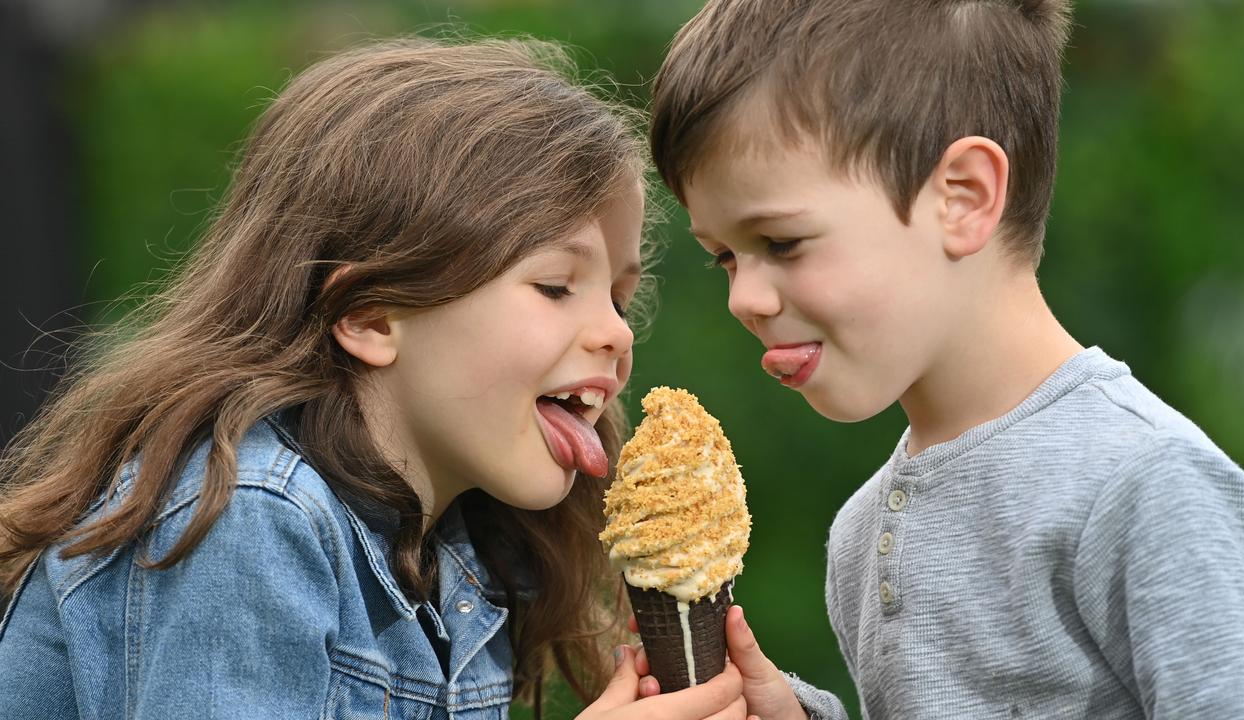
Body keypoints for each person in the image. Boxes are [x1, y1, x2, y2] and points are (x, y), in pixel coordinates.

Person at [0, 37, 749, 720]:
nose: (617, 333)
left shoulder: (457, 554)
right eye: (556, 286)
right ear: (371, 316)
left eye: (619, 297)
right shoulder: (249, 517)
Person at [642, 0, 1244, 718]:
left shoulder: (1143, 486)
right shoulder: (860, 534)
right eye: (724, 258)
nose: (745, 299)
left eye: (782, 243)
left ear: (964, 197)